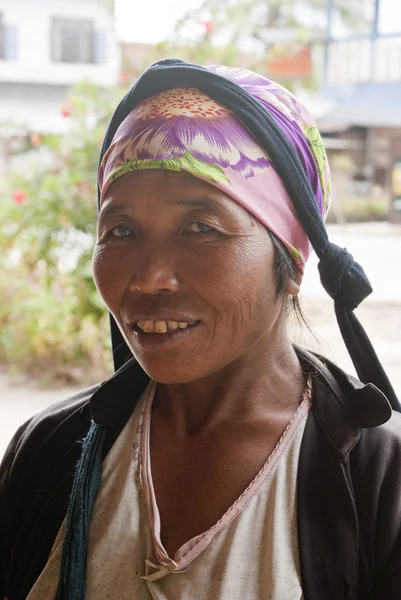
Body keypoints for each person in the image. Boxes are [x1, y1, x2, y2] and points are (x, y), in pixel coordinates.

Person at [1, 59, 400, 600]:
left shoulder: (380, 480)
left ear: (292, 258)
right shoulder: (47, 449)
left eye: (200, 228)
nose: (148, 277)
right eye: (120, 230)